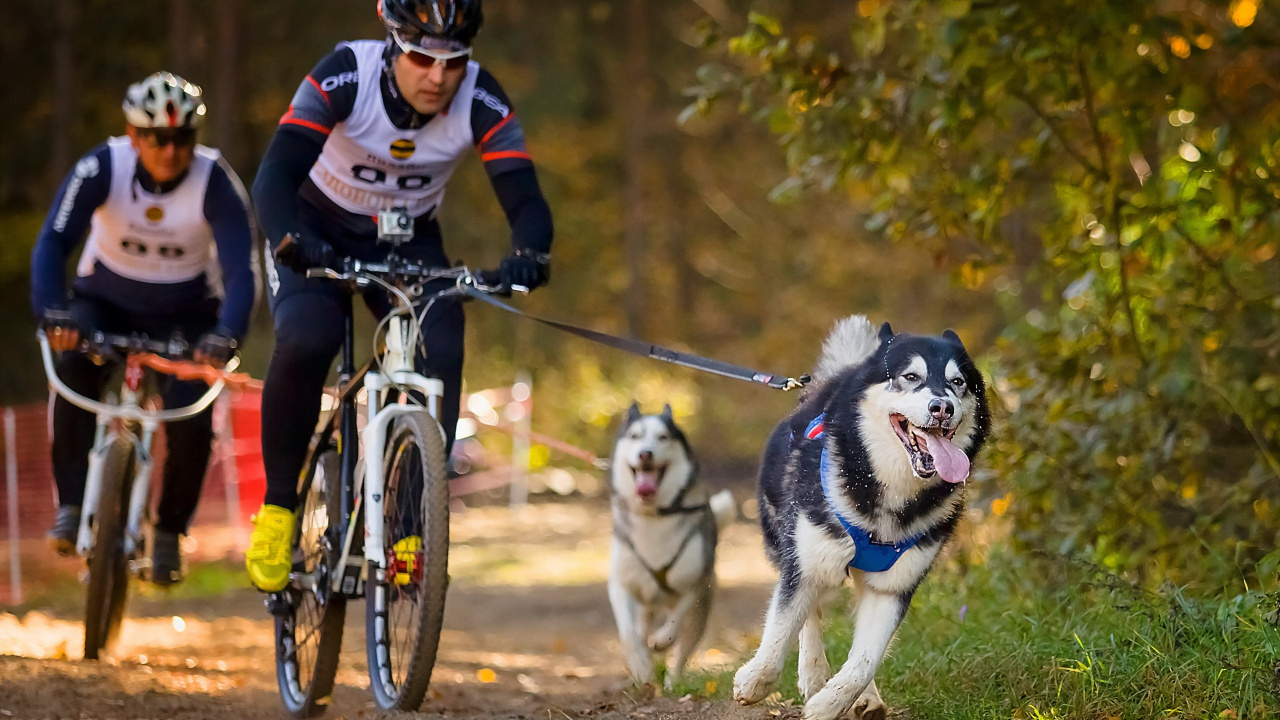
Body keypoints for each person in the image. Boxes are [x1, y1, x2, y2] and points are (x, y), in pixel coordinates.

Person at [244, 0, 553, 592]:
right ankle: (279, 508)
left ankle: (410, 524)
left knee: (443, 341)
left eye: (454, 61)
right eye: (420, 57)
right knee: (310, 336)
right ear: (391, 45)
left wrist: (530, 254)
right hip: (315, 228)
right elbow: (275, 175)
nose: (438, 76)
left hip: (406, 239)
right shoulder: (343, 75)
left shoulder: (481, 96)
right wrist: (292, 239)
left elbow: (524, 196)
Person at [30, 71, 258, 585]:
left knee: (193, 419)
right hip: (103, 303)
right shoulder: (100, 166)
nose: (169, 150)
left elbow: (243, 270)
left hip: (187, 314)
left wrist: (227, 334)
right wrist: (51, 312)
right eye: (156, 138)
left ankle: (170, 532)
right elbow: (52, 243)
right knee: (71, 371)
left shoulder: (215, 180)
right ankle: (70, 505)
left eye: (182, 139)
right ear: (134, 136)